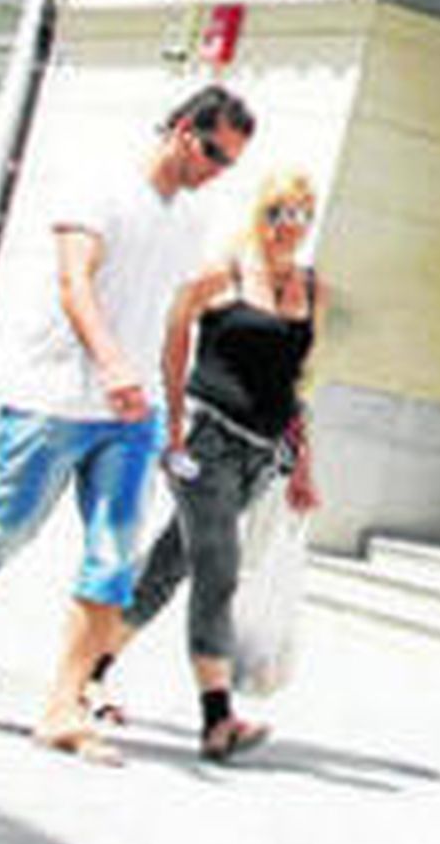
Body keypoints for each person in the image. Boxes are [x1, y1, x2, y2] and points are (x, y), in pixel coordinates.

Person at [0, 83, 255, 762]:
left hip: (132, 419)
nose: (217, 171)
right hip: (51, 397)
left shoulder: (190, 219)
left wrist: (171, 410)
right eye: (215, 152)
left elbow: (172, 321)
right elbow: (76, 284)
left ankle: (62, 706)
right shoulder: (101, 187)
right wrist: (111, 365)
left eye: (230, 164)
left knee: (115, 555)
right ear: (186, 128)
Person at [92, 167, 325, 762]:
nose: (287, 228)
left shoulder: (310, 288)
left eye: (299, 216)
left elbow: (297, 382)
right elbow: (173, 333)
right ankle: (218, 718)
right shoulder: (222, 276)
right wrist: (171, 421)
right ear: (259, 215)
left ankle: (88, 667)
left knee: (172, 563)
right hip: (207, 443)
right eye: (277, 213)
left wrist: (302, 465)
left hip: (260, 455)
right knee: (218, 566)